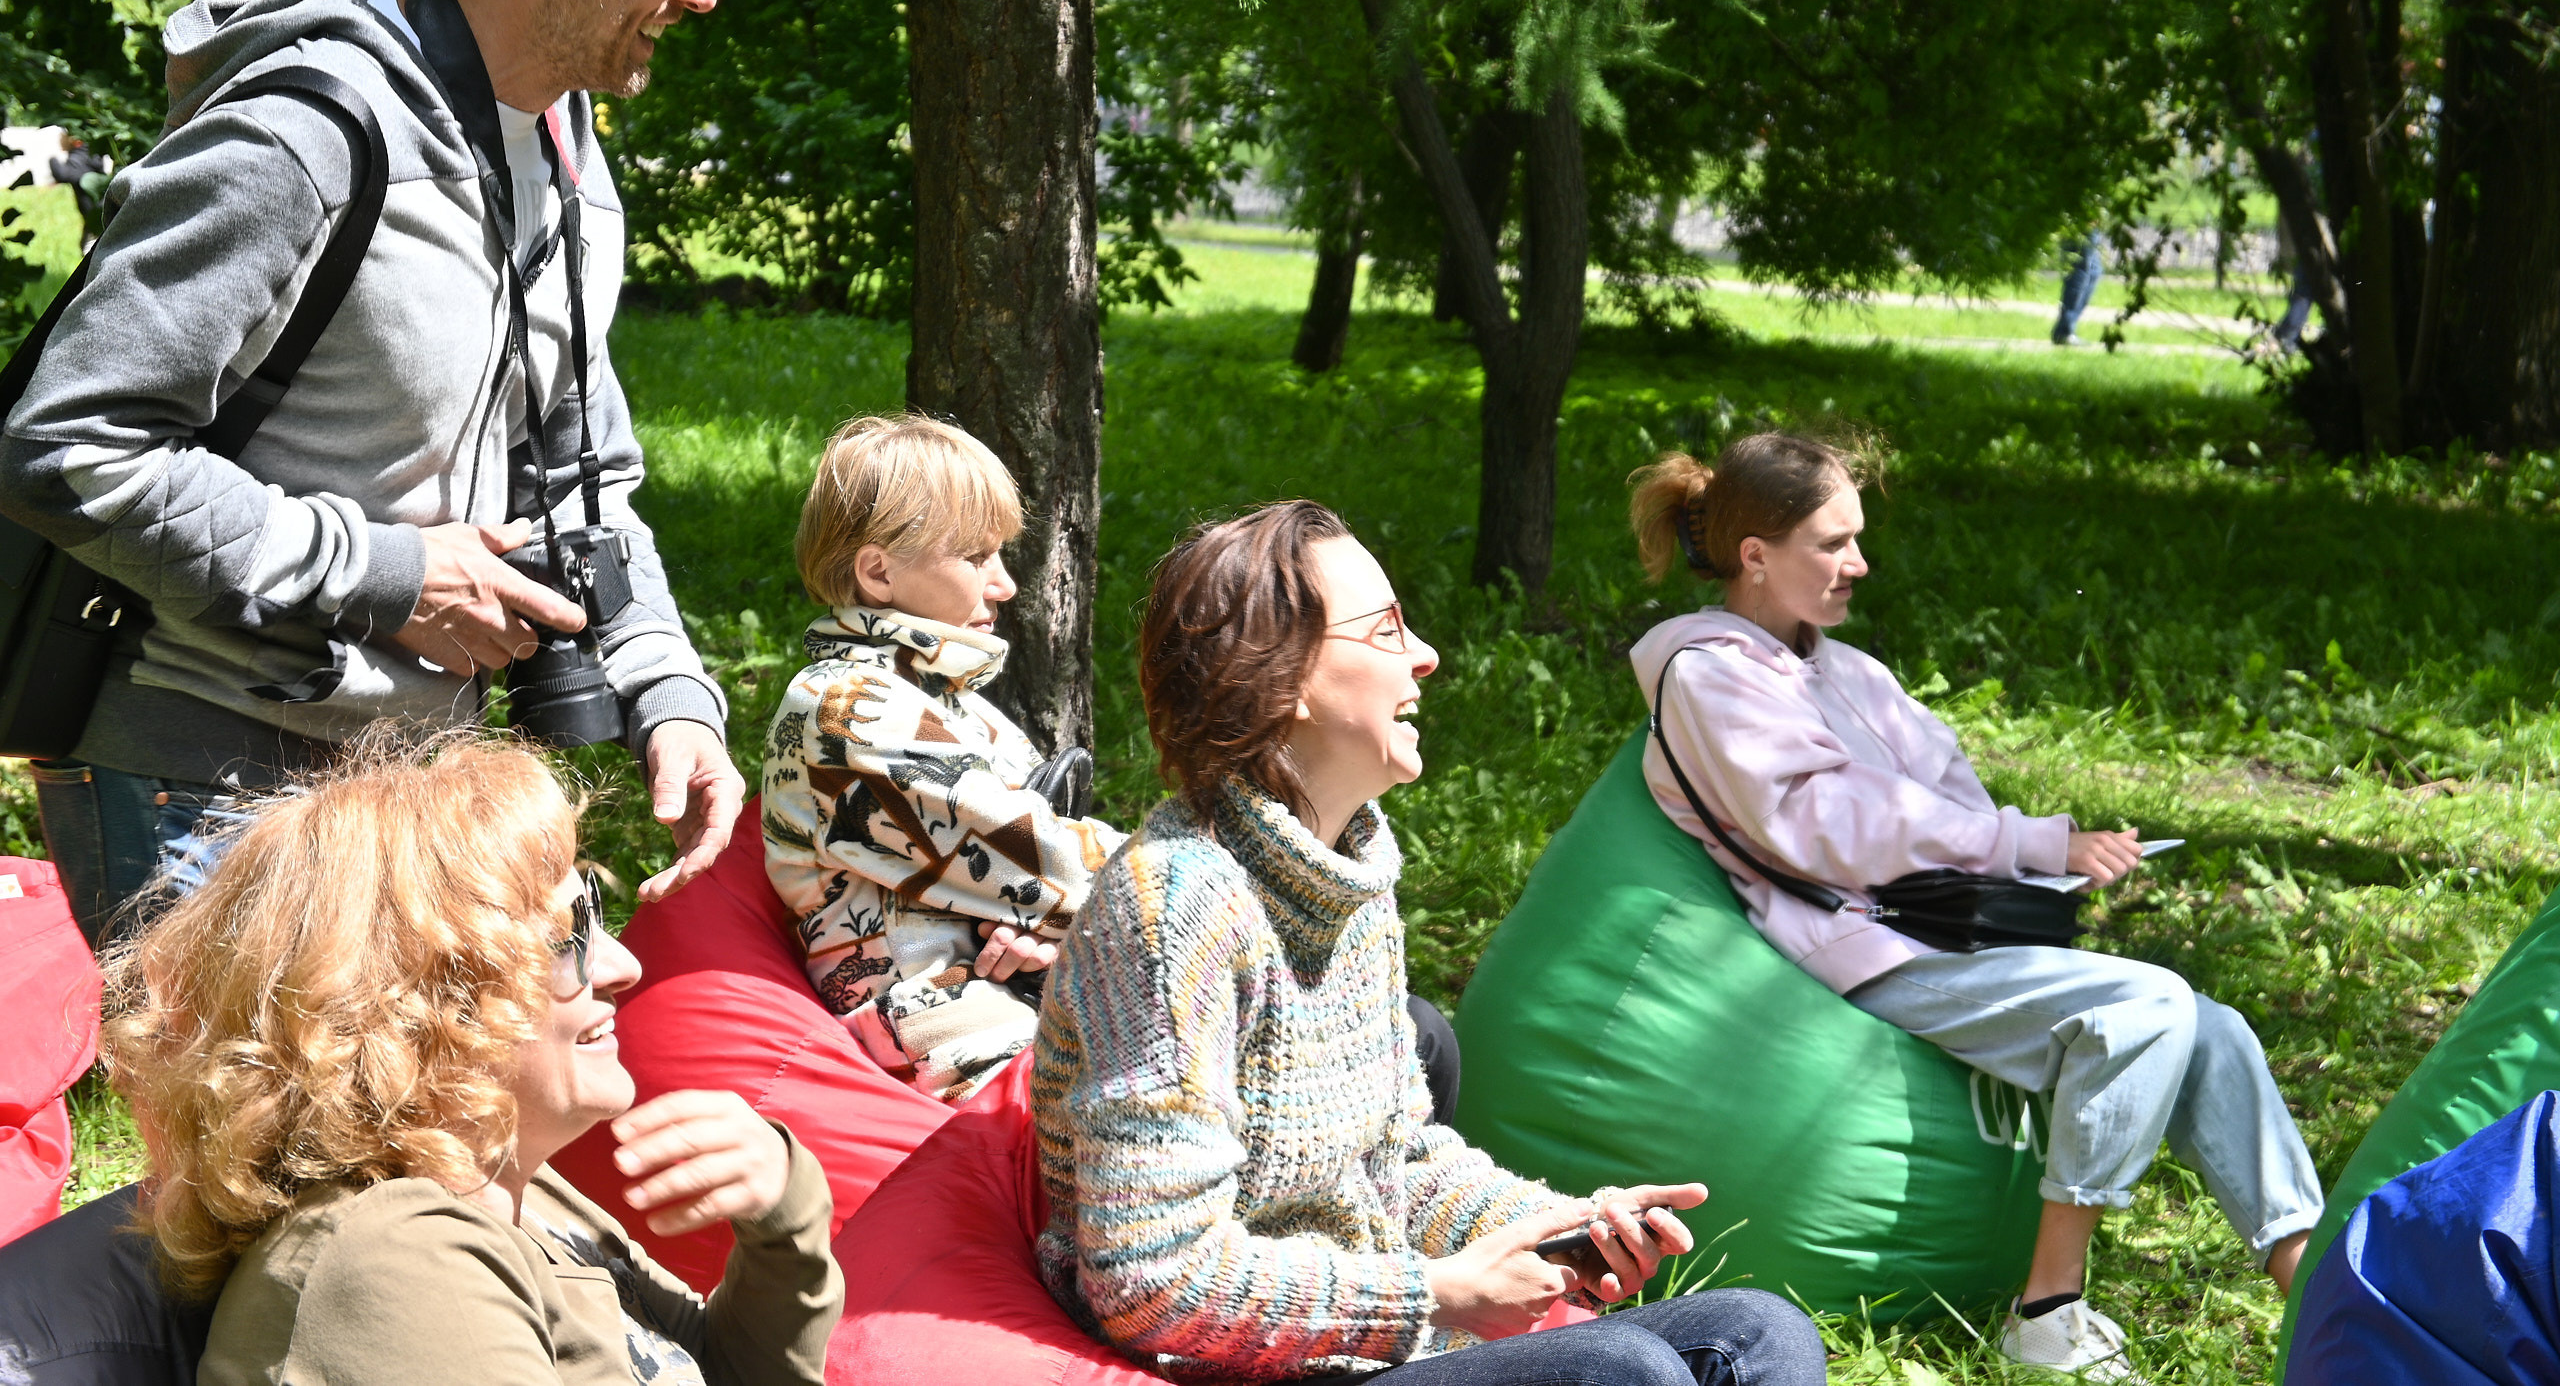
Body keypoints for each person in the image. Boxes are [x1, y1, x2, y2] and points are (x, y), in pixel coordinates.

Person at [0, 0, 742, 948]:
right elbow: (69, 443)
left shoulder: (566, 147)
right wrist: (389, 576)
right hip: (204, 783)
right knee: (268, 1152)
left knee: (431, 1146)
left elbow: (581, 465)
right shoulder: (305, 134)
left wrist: (666, 687)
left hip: (411, 783)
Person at [1030, 500, 1828, 1385]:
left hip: (1360, 1345)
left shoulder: (1348, 876)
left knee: (1763, 1332)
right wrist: (1434, 1292)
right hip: (1235, 1370)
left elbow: (1401, 1164)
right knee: (1626, 1373)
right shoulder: (1172, 908)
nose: (1426, 655)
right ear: (1282, 676)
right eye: (1386, 631)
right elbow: (1152, 1280)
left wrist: (1559, 1228)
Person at [1626, 434, 2322, 1379]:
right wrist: (2034, 842)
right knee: (2147, 1005)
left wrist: (2038, 871)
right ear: (1756, 555)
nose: (1859, 564)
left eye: (1858, 538)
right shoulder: (1706, 675)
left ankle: (2320, 1289)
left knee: (2215, 1026)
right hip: (1866, 950)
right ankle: (2049, 1309)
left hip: (1938, 926)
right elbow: (1827, 825)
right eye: (1833, 543)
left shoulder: (1852, 673)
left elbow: (1949, 794)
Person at [100, 731, 843, 1386]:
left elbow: (724, 1370)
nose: (621, 965)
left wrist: (782, 1210)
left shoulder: (512, 1188)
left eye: (593, 912)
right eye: (565, 936)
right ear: (404, 1006)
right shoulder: (392, 1262)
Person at [760, 414, 1120, 1101]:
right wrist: (1213, 873)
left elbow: (1035, 892)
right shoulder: (848, 712)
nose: (1004, 584)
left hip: (999, 1005)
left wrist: (1042, 939)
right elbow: (1050, 861)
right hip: (948, 1043)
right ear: (878, 571)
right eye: (977, 557)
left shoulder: (941, 697)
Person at [2052, 233, 2104, 344]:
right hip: (2083, 223)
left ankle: (2065, 328)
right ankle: (2065, 331)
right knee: (2080, 268)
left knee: (2094, 270)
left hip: (2090, 223)